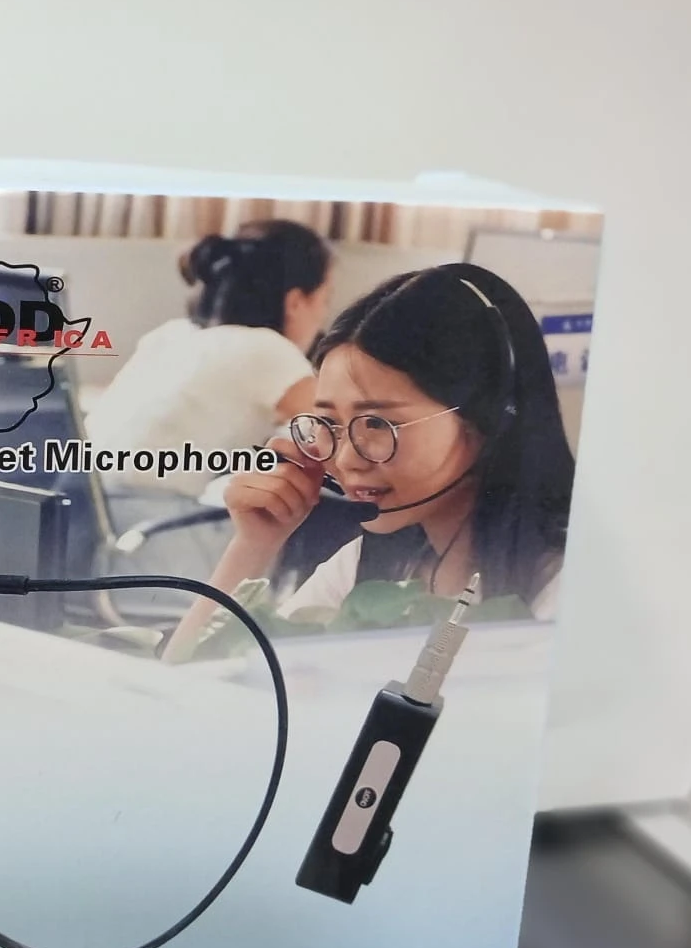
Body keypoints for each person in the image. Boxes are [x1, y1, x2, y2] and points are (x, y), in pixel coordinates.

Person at [164, 262, 575, 658]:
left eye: (377, 424)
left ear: (491, 416)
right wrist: (253, 547)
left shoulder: (565, 584)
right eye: (329, 423)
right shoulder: (364, 564)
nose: (345, 459)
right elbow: (187, 682)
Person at [83, 220, 332, 497]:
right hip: (151, 512)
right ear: (295, 303)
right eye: (324, 301)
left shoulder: (170, 335)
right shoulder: (268, 349)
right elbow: (334, 432)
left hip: (86, 501)